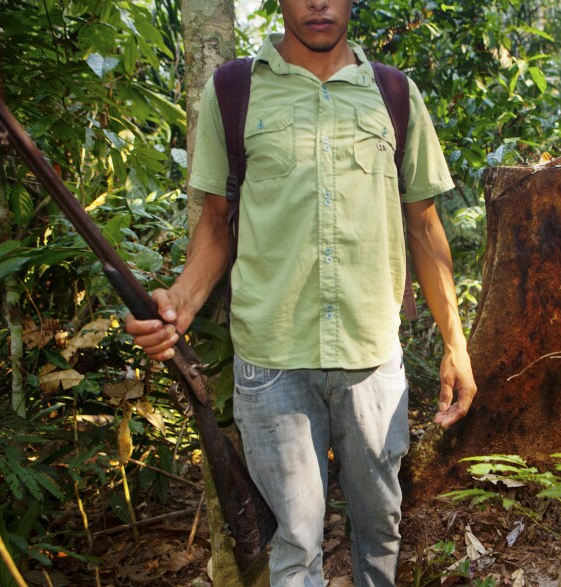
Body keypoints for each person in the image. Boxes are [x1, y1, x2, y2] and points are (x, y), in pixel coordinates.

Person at [125, 0, 477, 584]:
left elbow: (424, 225)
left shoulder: (392, 93)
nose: (319, 3)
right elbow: (215, 225)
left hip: (372, 359)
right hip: (272, 365)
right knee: (293, 547)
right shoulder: (235, 92)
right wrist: (179, 303)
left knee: (381, 532)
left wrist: (455, 344)